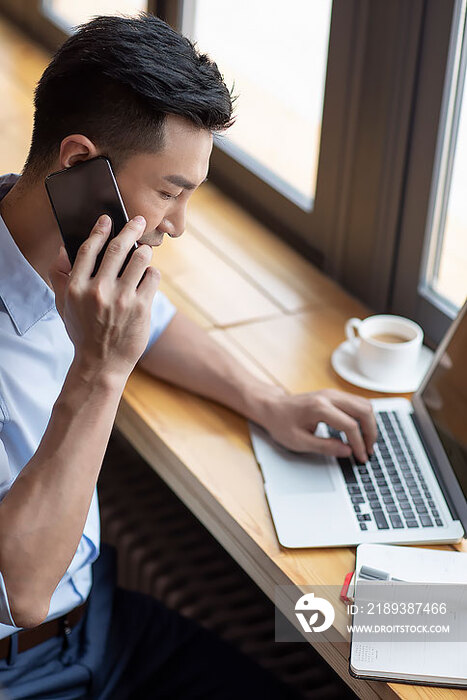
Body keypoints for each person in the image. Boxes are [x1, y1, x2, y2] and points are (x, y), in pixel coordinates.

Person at [0, 13, 376, 699]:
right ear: (80, 164)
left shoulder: (67, 248)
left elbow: (158, 321)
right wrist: (100, 368)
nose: (176, 225)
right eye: (169, 191)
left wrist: (267, 401)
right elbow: (21, 589)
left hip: (100, 620)